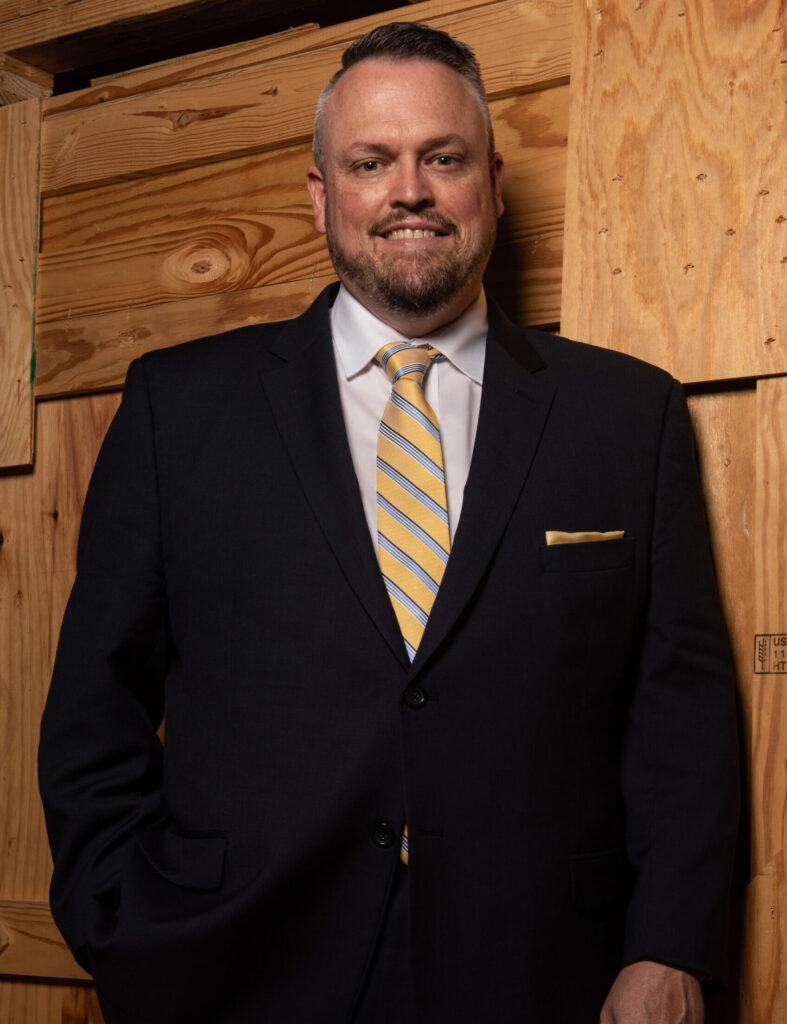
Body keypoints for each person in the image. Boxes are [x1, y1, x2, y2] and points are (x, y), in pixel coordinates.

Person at [39, 22, 739, 1024]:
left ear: (491, 183)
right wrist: (122, 923)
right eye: (370, 162)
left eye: (441, 158)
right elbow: (92, 711)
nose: (409, 190)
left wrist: (670, 944)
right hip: (241, 977)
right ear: (320, 193)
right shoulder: (176, 409)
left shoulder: (627, 417)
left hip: (547, 977)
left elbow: (681, 714)